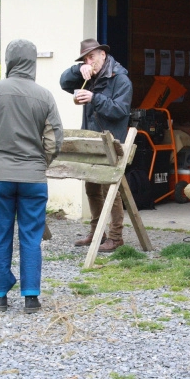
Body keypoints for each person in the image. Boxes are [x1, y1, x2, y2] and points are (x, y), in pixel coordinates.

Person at [0, 39, 64, 313]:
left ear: (8, 61)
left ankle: (0, 296)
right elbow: (54, 140)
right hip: (33, 177)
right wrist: (40, 163)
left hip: (0, 175)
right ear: (32, 62)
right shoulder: (44, 96)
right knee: (31, 237)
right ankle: (31, 297)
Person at [60, 38, 133, 252]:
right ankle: (96, 233)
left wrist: (94, 98)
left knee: (111, 188)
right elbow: (64, 83)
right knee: (91, 186)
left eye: (91, 56)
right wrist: (78, 69)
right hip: (92, 140)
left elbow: (120, 111)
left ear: (103, 54)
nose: (88, 61)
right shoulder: (89, 75)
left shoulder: (120, 79)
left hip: (112, 141)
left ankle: (116, 236)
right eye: (84, 58)